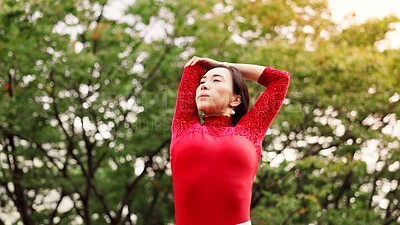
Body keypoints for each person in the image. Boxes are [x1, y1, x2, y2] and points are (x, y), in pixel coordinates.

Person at [170, 56, 290, 225]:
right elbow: (194, 67)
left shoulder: (250, 131)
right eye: (202, 82)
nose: (203, 85)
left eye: (216, 80)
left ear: (236, 99)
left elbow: (280, 79)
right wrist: (216, 70)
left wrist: (224, 66)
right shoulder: (184, 126)